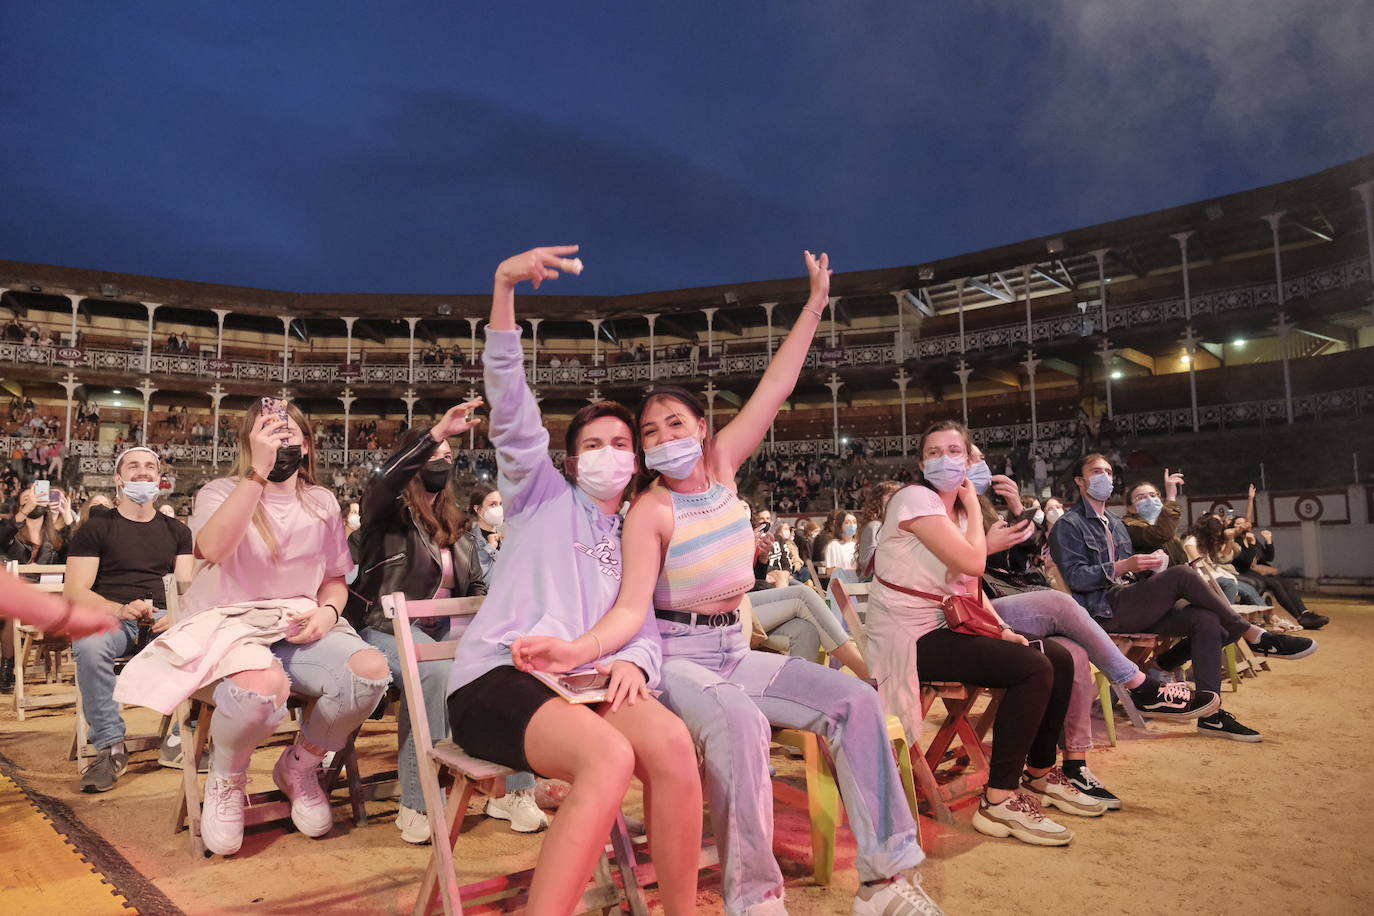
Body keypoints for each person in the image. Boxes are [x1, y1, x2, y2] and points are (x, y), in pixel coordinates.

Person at [530, 250, 939, 916]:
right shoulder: (650, 510)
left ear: (703, 429)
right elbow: (633, 605)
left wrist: (813, 304)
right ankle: (755, 902)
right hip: (678, 658)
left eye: (676, 425)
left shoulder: (722, 469)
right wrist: (583, 654)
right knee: (741, 724)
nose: (664, 438)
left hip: (735, 647)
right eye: (651, 432)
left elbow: (775, 388)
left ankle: (886, 881)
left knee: (857, 703)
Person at [447, 247, 702, 916]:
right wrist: (503, 288)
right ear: (567, 458)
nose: (610, 455)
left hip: (587, 684)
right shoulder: (539, 497)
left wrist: (639, 664)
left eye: (623, 445)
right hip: (498, 677)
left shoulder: (640, 529)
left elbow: (641, 621)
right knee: (610, 759)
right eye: (594, 445)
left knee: (674, 744)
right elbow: (509, 403)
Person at [114, 398, 391, 856]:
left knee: (370, 672)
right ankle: (227, 774)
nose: (282, 441)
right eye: (269, 431)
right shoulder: (219, 492)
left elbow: (335, 582)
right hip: (230, 623)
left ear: (305, 445)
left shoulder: (322, 501)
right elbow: (212, 548)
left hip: (299, 622)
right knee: (262, 689)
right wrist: (257, 475)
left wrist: (327, 613)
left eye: (291, 434)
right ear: (249, 441)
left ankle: (300, 765)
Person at [867, 420, 1099, 848]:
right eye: (934, 452)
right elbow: (974, 565)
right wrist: (974, 504)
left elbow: (967, 587)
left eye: (954, 451)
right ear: (921, 463)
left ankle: (1040, 771)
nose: (944, 459)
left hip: (947, 624)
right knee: (1032, 667)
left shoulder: (949, 513)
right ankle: (999, 800)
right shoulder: (914, 498)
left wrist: (1004, 629)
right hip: (908, 637)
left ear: (971, 458)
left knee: (1060, 657)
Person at [968, 444, 1218, 808]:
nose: (981, 465)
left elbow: (1032, 555)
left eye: (978, 457)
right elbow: (961, 568)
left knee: (1073, 656)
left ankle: (1074, 765)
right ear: (1081, 482)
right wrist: (983, 545)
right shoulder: (944, 511)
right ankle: (1138, 685)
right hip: (987, 605)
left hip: (1024, 596)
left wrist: (1018, 510)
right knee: (1061, 601)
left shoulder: (986, 509)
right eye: (972, 458)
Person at [1049, 453, 1317, 743]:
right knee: (1184, 577)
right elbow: (1076, 578)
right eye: (1096, 471)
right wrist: (1125, 566)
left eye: (1109, 472)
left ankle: (1211, 716)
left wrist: (1152, 569)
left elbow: (1134, 572)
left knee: (1207, 619)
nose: (1105, 477)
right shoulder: (1069, 525)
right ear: (1079, 480)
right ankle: (1254, 635)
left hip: (1129, 599)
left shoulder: (1114, 523)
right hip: (1103, 608)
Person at [64, 447, 195, 791]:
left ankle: (180, 742)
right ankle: (110, 747)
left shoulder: (178, 531)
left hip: (162, 616)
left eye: (150, 466)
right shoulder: (96, 528)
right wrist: (119, 609)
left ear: (159, 478)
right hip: (112, 615)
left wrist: (177, 615)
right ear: (118, 479)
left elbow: (186, 591)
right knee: (90, 646)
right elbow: (75, 591)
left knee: (205, 641)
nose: (143, 472)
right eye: (133, 466)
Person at [1, 482, 72, 693]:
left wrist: (69, 521)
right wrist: (24, 512)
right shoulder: (10, 533)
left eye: (36, 498)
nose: (32, 502)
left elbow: (74, 557)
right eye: (26, 500)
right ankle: (8, 667)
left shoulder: (56, 538)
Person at [1230, 488, 1328, 629]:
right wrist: (1250, 500)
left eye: (1243, 523)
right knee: (1275, 583)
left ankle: (1305, 613)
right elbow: (1246, 562)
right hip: (1245, 573)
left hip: (1257, 572)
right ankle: (1300, 617)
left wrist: (1268, 541)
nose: (1242, 524)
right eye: (1237, 523)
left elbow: (1268, 557)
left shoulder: (1251, 537)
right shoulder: (1236, 540)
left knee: (1285, 582)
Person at [1122, 469, 1189, 568]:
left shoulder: (1164, 523)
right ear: (1131, 508)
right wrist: (1171, 497)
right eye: (1140, 498)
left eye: (1153, 495)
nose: (1149, 500)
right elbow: (1161, 534)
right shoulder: (1129, 526)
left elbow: (1180, 558)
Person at [467, 484, 504, 581]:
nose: (499, 508)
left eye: (500, 504)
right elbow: (476, 579)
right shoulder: (468, 542)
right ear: (478, 509)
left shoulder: (507, 539)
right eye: (493, 504)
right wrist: (490, 548)